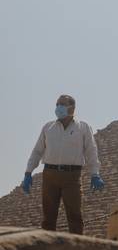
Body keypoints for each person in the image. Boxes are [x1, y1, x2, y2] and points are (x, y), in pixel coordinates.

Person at [22, 94, 104, 234]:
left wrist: (95, 174)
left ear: (72, 108)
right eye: (57, 104)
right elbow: (37, 151)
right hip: (49, 175)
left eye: (62, 104)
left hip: (72, 176)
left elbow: (91, 151)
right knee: (48, 218)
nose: (58, 107)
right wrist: (28, 172)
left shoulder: (83, 127)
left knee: (75, 216)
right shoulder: (48, 127)